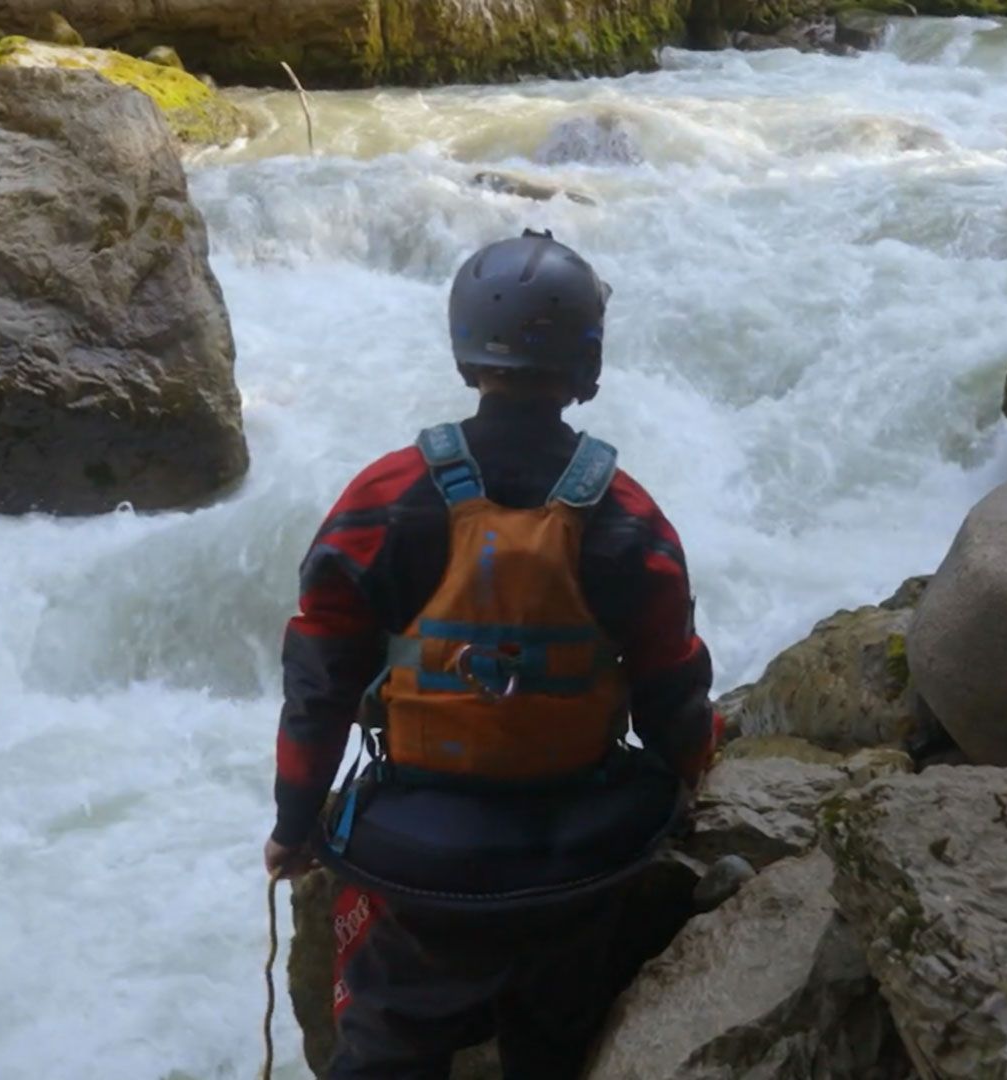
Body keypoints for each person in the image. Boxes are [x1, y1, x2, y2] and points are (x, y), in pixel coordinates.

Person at [264, 230, 720, 1079]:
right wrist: (692, 774)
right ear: (587, 367)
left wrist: (294, 825)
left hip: (420, 870)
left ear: (466, 355)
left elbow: (318, 683)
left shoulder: (382, 500)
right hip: (577, 865)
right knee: (557, 1048)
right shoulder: (630, 517)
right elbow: (674, 693)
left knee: (386, 1052)